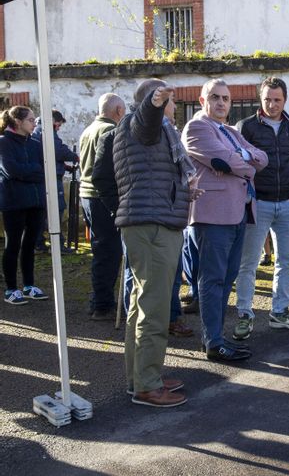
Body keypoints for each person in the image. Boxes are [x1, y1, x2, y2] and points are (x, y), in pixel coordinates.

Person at [114, 79, 197, 407]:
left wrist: (185, 193)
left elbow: (152, 177)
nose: (175, 106)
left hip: (149, 222)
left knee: (141, 304)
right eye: (171, 100)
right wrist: (155, 100)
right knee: (155, 306)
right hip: (153, 227)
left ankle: (140, 379)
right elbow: (146, 118)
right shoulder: (142, 123)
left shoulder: (150, 133)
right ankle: (147, 385)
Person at [183, 79, 267, 362]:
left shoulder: (231, 130)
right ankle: (213, 341)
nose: (221, 103)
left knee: (228, 277)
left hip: (239, 213)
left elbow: (262, 158)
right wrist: (246, 164)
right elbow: (224, 161)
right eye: (215, 97)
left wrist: (242, 158)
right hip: (212, 215)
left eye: (226, 98)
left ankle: (216, 336)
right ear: (202, 100)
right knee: (212, 279)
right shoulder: (197, 127)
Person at [232, 77, 289, 341]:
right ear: (260, 99)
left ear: (284, 100)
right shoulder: (246, 127)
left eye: (277, 99)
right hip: (258, 203)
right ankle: (244, 314)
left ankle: (280, 312)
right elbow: (238, 164)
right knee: (248, 262)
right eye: (268, 99)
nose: (272, 104)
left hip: (288, 204)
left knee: (286, 262)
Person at [78, 93, 126, 320]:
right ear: (118, 111)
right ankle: (103, 304)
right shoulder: (108, 131)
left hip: (87, 195)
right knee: (109, 252)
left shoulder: (88, 129)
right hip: (101, 197)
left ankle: (98, 299)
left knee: (101, 249)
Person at [0, 106, 49, 305]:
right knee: (13, 245)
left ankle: (29, 285)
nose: (34, 123)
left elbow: (44, 170)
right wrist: (34, 171)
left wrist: (30, 172)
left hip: (35, 202)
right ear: (18, 122)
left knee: (30, 245)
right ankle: (11, 289)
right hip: (14, 202)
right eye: (30, 119)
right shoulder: (3, 143)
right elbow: (11, 170)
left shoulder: (35, 143)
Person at [32, 110, 78, 253]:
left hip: (43, 177)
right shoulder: (46, 131)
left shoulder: (37, 131)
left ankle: (38, 244)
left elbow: (47, 156)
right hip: (50, 179)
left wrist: (64, 166)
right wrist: (74, 157)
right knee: (56, 210)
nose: (58, 128)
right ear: (54, 121)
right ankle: (57, 246)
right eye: (58, 125)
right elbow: (57, 150)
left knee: (43, 212)